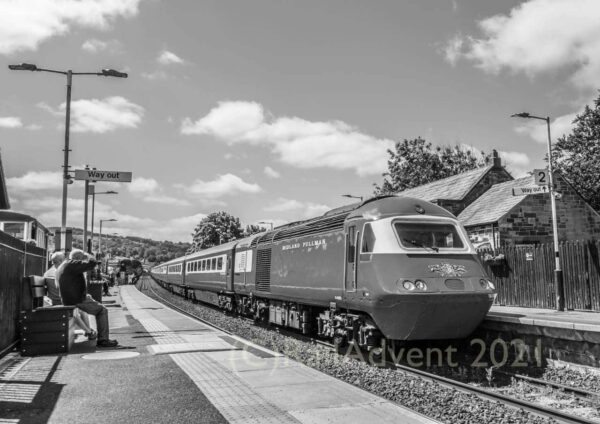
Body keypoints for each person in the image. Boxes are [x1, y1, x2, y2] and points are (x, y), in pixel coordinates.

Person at [56, 249, 118, 348]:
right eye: (82, 259)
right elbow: (92, 263)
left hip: (69, 298)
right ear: (78, 259)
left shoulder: (65, 264)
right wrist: (88, 255)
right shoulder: (73, 263)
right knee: (102, 310)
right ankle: (103, 340)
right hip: (75, 299)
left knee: (94, 303)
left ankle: (100, 338)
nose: (83, 262)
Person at [43, 251, 97, 340]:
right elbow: (63, 290)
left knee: (82, 310)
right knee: (77, 311)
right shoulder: (61, 269)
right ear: (61, 260)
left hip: (58, 299)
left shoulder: (49, 272)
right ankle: (89, 332)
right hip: (60, 300)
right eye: (64, 259)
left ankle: (89, 331)